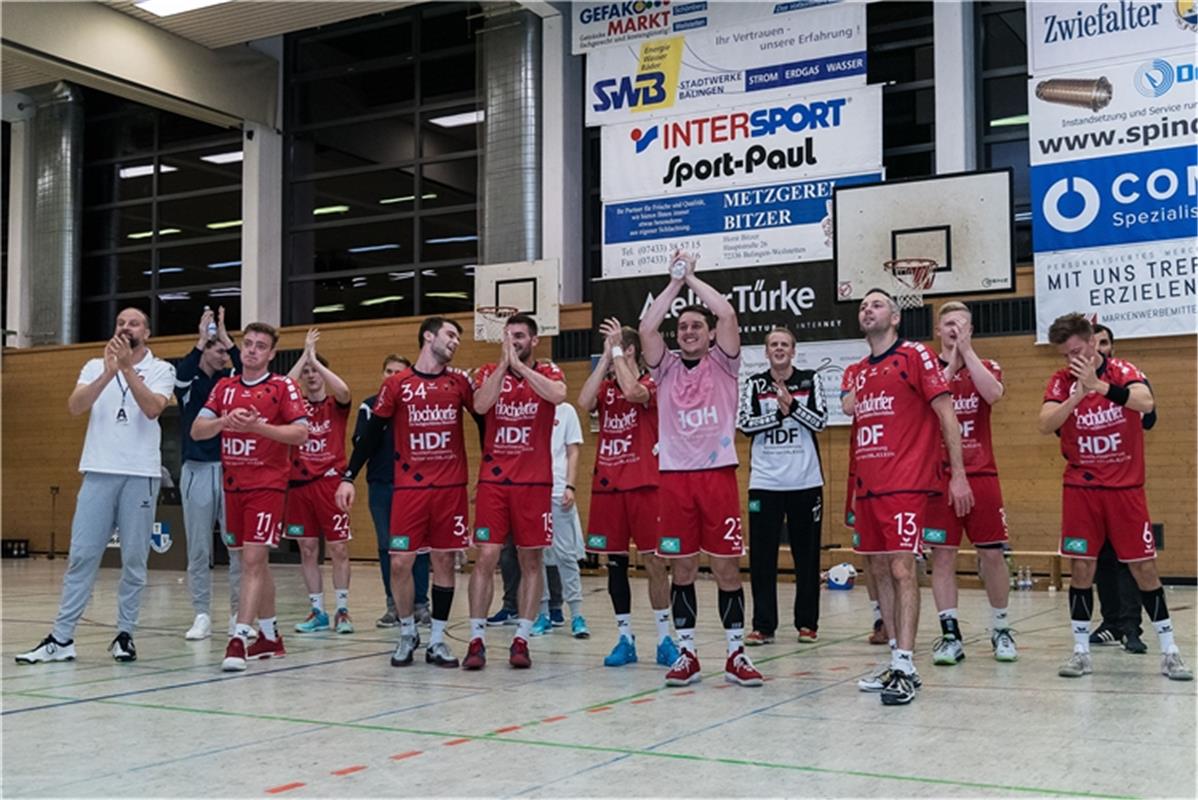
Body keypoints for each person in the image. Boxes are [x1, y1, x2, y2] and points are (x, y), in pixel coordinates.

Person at [17, 309, 175, 665]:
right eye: (120, 322)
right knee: (82, 556)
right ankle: (62, 638)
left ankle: (124, 634)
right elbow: (75, 406)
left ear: (146, 333)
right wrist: (109, 371)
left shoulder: (162, 370)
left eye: (133, 323)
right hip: (98, 472)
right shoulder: (92, 366)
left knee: (134, 559)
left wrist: (127, 369)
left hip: (139, 475)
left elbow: (152, 409)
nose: (125, 327)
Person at [1038, 313, 1190, 681]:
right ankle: (1080, 652)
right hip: (1081, 489)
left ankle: (1170, 651)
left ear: (1092, 342)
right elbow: (1045, 423)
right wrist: (1078, 393)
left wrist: (1099, 387)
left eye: (1076, 350)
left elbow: (1146, 403)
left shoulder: (1122, 371)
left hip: (1125, 489)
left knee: (1144, 569)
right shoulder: (1061, 381)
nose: (1071, 359)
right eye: (1064, 355)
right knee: (1082, 569)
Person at [639, 251, 763, 688]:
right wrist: (672, 284)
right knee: (683, 569)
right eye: (684, 327)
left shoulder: (724, 364)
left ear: (710, 334)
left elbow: (727, 311)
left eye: (697, 326)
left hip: (717, 477)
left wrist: (690, 277)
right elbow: (647, 328)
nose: (689, 331)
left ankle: (735, 654)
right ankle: (687, 652)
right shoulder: (665, 366)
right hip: (674, 478)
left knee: (727, 568)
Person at [849, 289, 973, 705]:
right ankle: (894, 660)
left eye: (877, 304)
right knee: (878, 571)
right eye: (864, 305)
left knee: (903, 569)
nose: (868, 309)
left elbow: (946, 413)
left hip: (905, 483)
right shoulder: (861, 371)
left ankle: (906, 665)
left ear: (896, 317)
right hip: (869, 487)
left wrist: (958, 475)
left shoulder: (915, 355)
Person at [338, 317, 472, 668]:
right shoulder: (398, 384)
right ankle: (407, 632)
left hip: (449, 488)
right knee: (400, 562)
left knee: (443, 561)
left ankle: (438, 640)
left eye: (458, 337)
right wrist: (349, 476)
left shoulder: (459, 383)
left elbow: (487, 421)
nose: (456, 341)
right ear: (428, 336)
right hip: (409, 488)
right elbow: (370, 434)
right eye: (450, 334)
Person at [192, 322, 308, 672]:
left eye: (261, 345)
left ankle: (238, 638)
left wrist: (258, 428)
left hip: (267, 485)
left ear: (271, 354)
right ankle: (270, 637)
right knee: (249, 561)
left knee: (254, 561)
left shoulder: (282, 386)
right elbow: (197, 430)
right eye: (248, 344)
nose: (252, 350)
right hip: (234, 486)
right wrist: (224, 421)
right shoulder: (224, 387)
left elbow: (300, 433)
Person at [465, 314, 566, 669]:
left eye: (520, 336)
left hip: (534, 481)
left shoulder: (549, 372)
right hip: (494, 481)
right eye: (508, 336)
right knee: (487, 555)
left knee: (531, 560)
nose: (514, 341)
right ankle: (476, 640)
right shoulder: (488, 372)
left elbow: (558, 394)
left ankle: (521, 638)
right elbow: (480, 405)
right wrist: (504, 366)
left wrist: (521, 369)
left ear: (534, 340)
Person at [579, 318, 678, 668]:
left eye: (618, 344)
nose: (612, 348)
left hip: (646, 483)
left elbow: (635, 393)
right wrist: (606, 358)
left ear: (631, 349)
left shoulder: (653, 380)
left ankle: (665, 638)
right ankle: (625, 637)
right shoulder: (607, 385)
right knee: (615, 564)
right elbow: (584, 400)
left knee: (654, 561)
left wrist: (618, 351)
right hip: (608, 484)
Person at [925, 302, 1017, 665]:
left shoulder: (986, 365)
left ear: (971, 331)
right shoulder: (927, 368)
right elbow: (929, 396)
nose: (955, 329)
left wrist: (967, 353)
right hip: (939, 475)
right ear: (937, 330)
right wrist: (951, 361)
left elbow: (993, 394)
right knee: (942, 555)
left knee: (992, 554)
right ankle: (950, 635)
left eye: (962, 325)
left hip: (981, 474)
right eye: (949, 324)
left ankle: (1000, 629)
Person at [737, 328, 828, 645]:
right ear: (766, 352)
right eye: (773, 345)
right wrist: (779, 413)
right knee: (762, 558)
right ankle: (763, 625)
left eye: (784, 344)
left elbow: (820, 421)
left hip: (806, 482)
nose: (779, 349)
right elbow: (745, 424)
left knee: (807, 556)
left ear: (793, 350)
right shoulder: (754, 383)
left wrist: (794, 407)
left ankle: (807, 623)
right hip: (764, 483)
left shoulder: (810, 379)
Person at [175, 307, 244, 641]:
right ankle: (201, 614)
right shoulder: (190, 380)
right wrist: (203, 339)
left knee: (236, 547)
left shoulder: (230, 383)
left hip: (231, 471)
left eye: (225, 352)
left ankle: (236, 614)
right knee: (199, 549)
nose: (225, 357)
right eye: (218, 351)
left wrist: (229, 340)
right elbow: (181, 377)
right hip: (197, 471)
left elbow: (248, 369)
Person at [353, 355, 431, 629]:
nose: (392, 376)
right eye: (388, 371)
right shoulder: (369, 406)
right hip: (381, 485)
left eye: (399, 372)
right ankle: (394, 606)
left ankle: (421, 605)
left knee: (418, 547)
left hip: (414, 486)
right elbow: (362, 442)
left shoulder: (417, 406)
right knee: (388, 548)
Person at [285, 329, 355, 634]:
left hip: (330, 484)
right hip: (299, 486)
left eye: (316, 371)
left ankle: (342, 611)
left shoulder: (333, 405)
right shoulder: (294, 407)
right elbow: (284, 386)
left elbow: (344, 390)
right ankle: (317, 611)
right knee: (308, 549)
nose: (311, 375)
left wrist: (317, 360)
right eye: (308, 371)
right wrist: (304, 357)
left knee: (338, 549)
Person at [1088, 324, 1152, 654]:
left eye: (1105, 342)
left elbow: (1149, 414)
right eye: (1094, 342)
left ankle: (1132, 628)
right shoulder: (1078, 385)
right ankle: (1110, 621)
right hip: (1093, 487)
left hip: (1125, 483)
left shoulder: (1129, 376)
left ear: (1112, 346)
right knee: (1101, 558)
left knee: (1132, 560)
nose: (1100, 348)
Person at [841, 361, 891, 650]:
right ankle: (879, 619)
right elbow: (848, 407)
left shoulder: (906, 363)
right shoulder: (855, 370)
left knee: (898, 557)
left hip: (896, 468)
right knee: (869, 553)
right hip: (861, 468)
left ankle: (899, 620)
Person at [530, 402, 590, 638]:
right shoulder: (528, 407)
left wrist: (570, 485)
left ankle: (576, 613)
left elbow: (573, 450)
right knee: (537, 554)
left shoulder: (566, 410)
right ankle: (542, 613)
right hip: (531, 489)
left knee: (565, 554)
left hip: (557, 489)